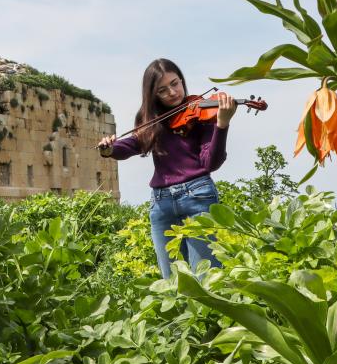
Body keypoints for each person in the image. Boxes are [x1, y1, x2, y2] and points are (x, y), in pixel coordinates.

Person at [98, 58, 237, 278]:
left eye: (175, 83)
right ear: (154, 96)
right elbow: (133, 144)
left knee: (207, 278)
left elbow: (211, 162)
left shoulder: (202, 112)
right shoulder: (151, 120)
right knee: (171, 281)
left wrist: (222, 124)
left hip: (199, 196)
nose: (172, 92)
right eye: (163, 90)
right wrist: (109, 149)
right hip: (161, 203)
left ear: (182, 80)